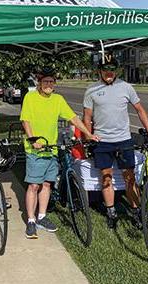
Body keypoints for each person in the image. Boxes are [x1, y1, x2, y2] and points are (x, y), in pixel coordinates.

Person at [20, 68, 98, 239]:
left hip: (52, 149)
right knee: (34, 185)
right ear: (39, 83)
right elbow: (25, 120)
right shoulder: (30, 97)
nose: (49, 85)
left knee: (47, 184)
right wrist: (33, 139)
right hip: (36, 149)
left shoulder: (58, 99)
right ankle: (31, 220)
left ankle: (41, 217)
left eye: (51, 82)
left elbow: (73, 118)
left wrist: (88, 134)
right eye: (45, 81)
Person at [83, 52, 148, 229]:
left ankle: (136, 210)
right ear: (99, 71)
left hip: (123, 140)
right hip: (102, 140)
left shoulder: (126, 87)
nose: (109, 73)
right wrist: (87, 137)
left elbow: (140, 109)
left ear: (117, 71)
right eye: (105, 70)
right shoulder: (91, 90)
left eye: (112, 70)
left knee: (129, 178)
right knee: (106, 178)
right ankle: (111, 211)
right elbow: (87, 117)